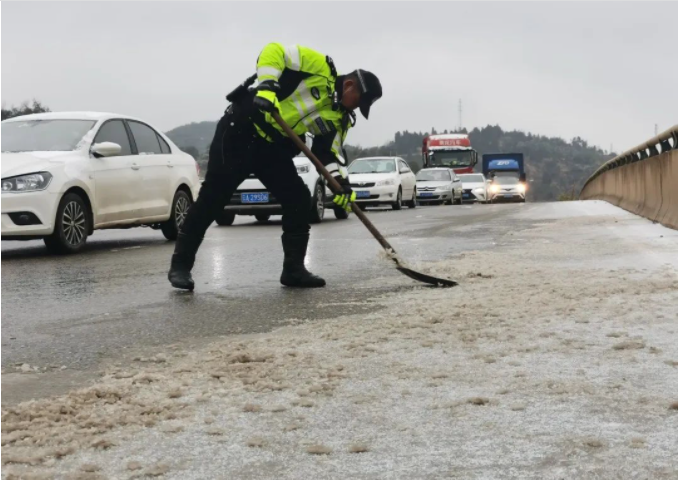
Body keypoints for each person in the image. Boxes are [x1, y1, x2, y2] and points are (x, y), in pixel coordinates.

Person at [168, 43, 382, 291]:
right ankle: (180, 266)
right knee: (212, 198)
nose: (356, 108)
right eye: (358, 102)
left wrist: (341, 185)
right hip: (240, 130)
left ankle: (294, 270)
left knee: (299, 199)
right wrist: (268, 87)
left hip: (272, 148)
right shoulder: (320, 67)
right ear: (349, 85)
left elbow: (327, 153)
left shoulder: (339, 118)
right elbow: (273, 51)